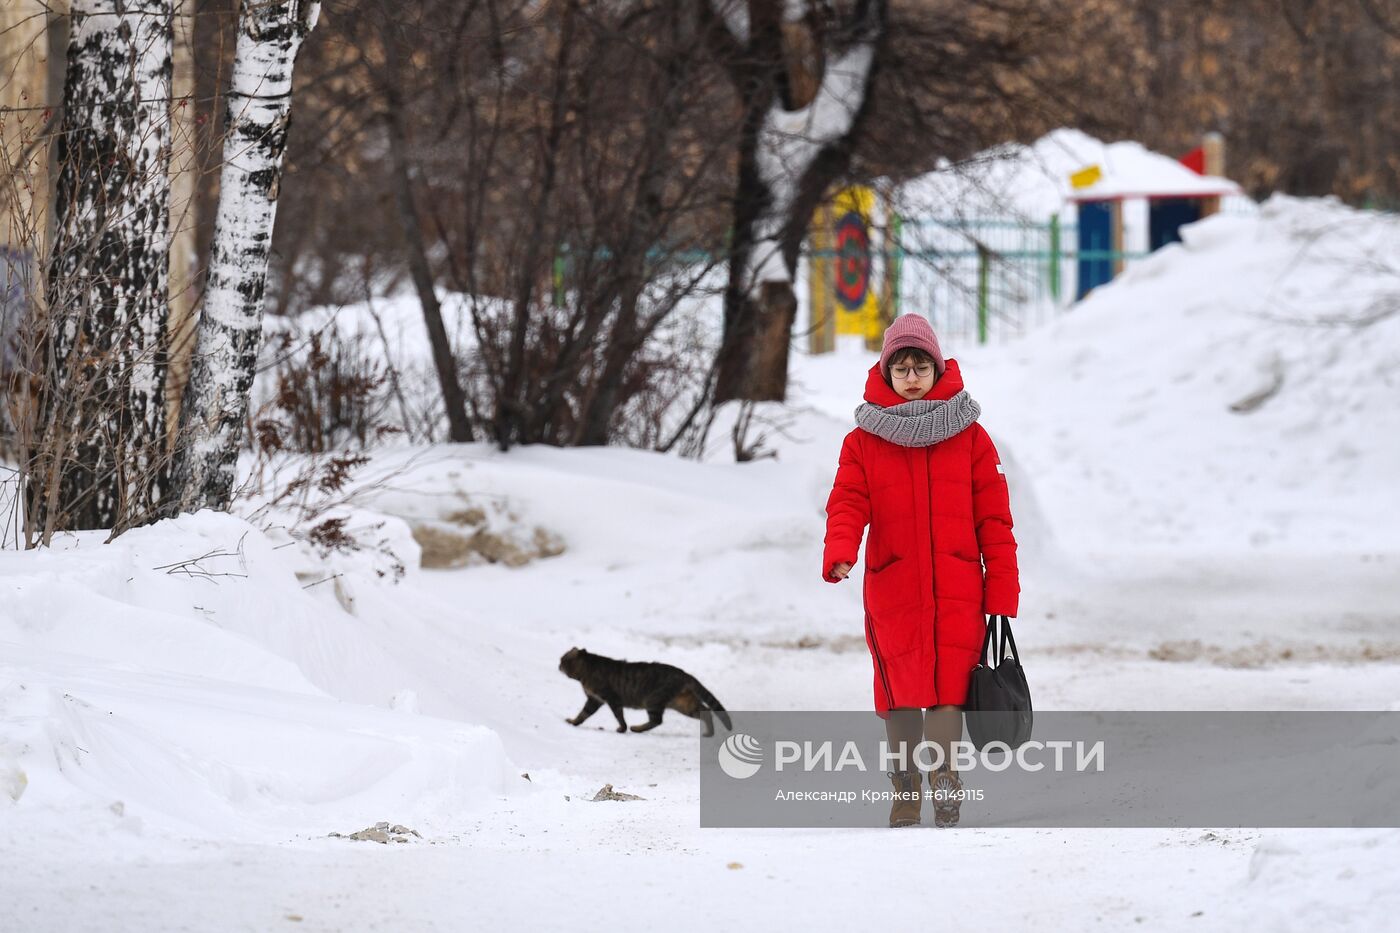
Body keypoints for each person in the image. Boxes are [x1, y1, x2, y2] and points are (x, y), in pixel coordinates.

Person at [822, 313, 1020, 828]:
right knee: (900, 691)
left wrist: (1001, 592)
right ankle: (906, 789)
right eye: (902, 367)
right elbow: (847, 502)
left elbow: (995, 521)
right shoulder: (863, 442)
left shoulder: (972, 438)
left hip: (958, 586)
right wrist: (841, 550)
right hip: (894, 585)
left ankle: (945, 778)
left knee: (951, 687)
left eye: (921, 366)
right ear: (887, 374)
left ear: (937, 369)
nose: (912, 376)